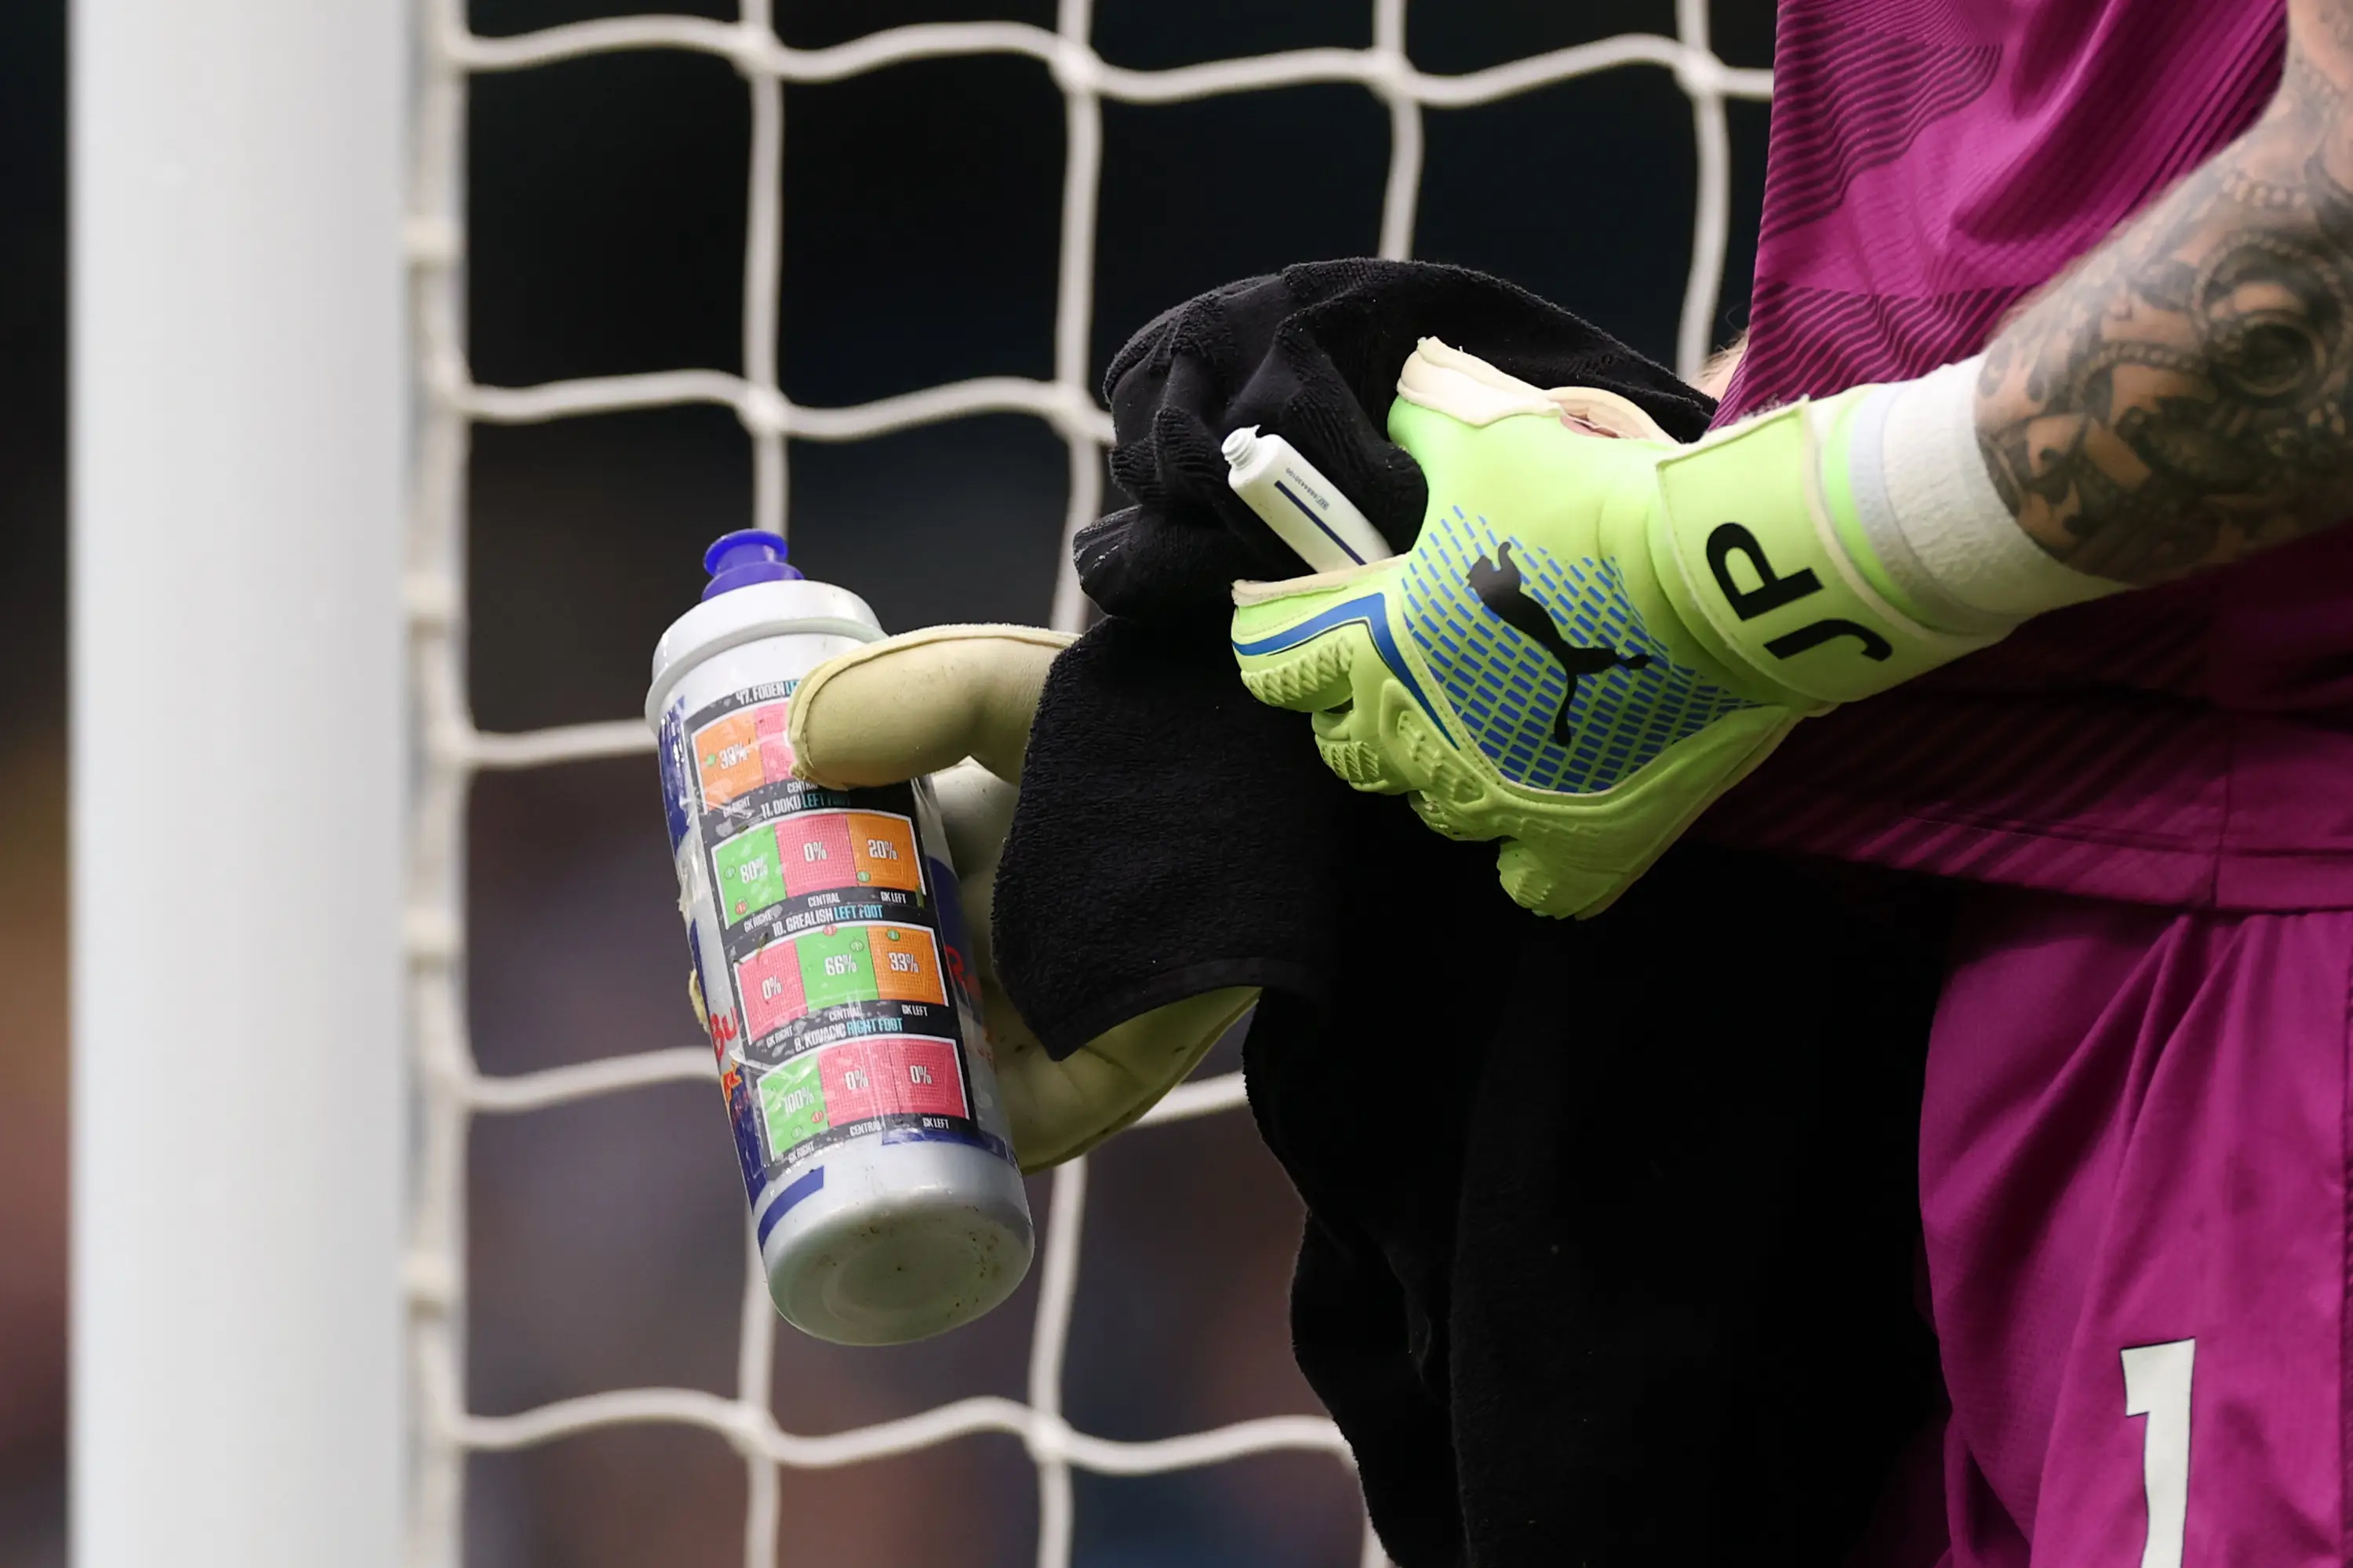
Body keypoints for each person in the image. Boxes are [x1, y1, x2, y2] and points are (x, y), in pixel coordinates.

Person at [790, 1, 2353, 1559]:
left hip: (2277, 970)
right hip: (2043, 956)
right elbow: (2085, 196)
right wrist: (1332, 712)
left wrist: (1699, 579)